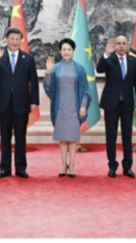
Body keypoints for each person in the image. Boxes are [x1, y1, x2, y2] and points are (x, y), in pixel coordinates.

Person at [0, 28, 39, 179]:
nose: (14, 42)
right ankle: (5, 168)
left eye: (17, 39)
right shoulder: (0, 56)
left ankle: (21, 168)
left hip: (22, 103)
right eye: (12, 39)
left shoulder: (28, 58)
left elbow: (33, 81)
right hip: (3, 103)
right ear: (6, 39)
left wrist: (34, 100)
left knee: (21, 137)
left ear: (21, 41)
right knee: (5, 137)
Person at [96, 36, 136, 178]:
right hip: (111, 104)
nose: (121, 46)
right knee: (111, 137)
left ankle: (127, 167)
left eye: (124, 43)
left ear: (127, 45)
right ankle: (112, 166)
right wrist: (105, 54)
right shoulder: (109, 59)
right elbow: (99, 69)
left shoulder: (134, 61)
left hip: (127, 105)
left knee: (127, 137)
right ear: (114, 45)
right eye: (118, 44)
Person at [43, 38, 90, 178]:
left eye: (69, 49)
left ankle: (73, 164)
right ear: (60, 51)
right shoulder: (55, 68)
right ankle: (63, 164)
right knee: (63, 138)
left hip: (74, 107)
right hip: (60, 107)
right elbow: (48, 88)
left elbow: (85, 90)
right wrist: (47, 72)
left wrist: (83, 106)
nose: (66, 52)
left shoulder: (80, 68)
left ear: (73, 51)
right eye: (64, 49)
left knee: (73, 138)